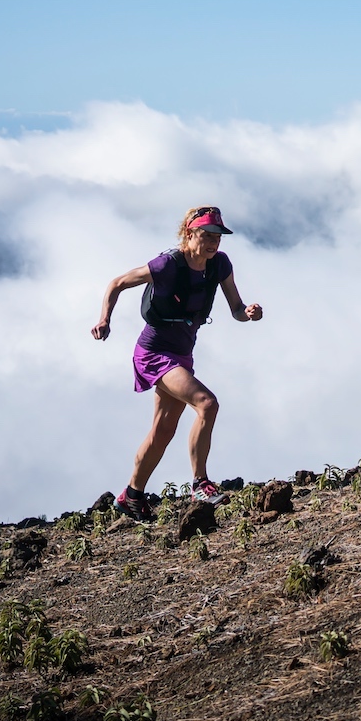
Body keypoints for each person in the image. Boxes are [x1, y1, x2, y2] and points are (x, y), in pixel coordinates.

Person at [92, 205, 262, 520]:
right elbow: (117, 283)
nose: (214, 242)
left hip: (182, 352)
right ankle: (200, 483)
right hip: (154, 352)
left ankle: (131, 496)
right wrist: (105, 320)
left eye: (218, 236)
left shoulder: (219, 265)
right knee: (207, 404)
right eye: (207, 235)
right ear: (189, 233)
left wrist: (247, 313)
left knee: (163, 430)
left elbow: (236, 308)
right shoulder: (167, 264)